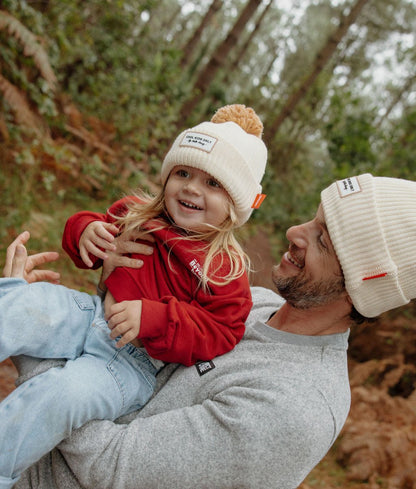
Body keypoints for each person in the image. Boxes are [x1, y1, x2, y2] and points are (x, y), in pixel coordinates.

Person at [5, 172, 416, 489]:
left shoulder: (296, 409)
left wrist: (35, 341)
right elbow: (137, 348)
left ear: (359, 287)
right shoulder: (258, 304)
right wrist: (46, 304)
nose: (295, 232)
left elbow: (111, 466)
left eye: (322, 239)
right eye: (313, 219)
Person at [0, 104, 268, 489]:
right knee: (23, 305)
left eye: (213, 183)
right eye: (183, 172)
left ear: (235, 206)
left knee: (64, 395)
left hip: (131, 363)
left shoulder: (224, 269)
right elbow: (86, 229)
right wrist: (86, 232)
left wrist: (156, 318)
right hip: (88, 313)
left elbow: (221, 330)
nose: (192, 187)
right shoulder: (140, 214)